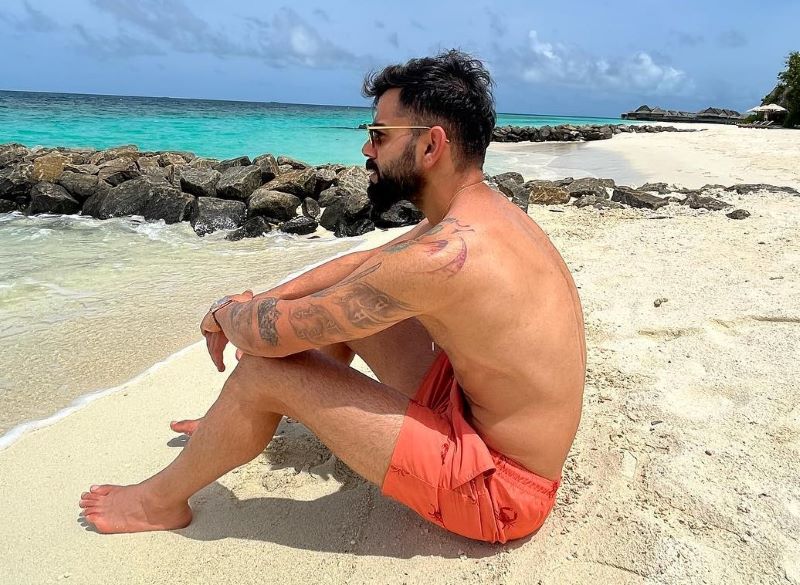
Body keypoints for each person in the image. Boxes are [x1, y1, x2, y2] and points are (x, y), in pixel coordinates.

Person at [79, 50, 586, 544]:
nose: (367, 149)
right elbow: (361, 267)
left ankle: (158, 502)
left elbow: (267, 337)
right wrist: (262, 297)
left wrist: (224, 311)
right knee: (345, 303)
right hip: (469, 411)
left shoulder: (442, 258)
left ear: (432, 146)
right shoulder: (476, 217)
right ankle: (237, 422)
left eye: (379, 135)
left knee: (266, 370)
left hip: (499, 488)